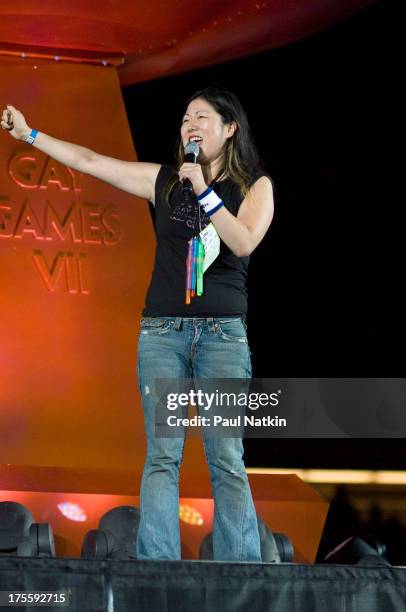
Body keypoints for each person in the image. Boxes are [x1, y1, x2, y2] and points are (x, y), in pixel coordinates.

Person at [1, 86, 274, 561]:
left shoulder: (255, 187)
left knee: (226, 459)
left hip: (222, 338)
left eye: (202, 117)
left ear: (230, 128)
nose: (190, 124)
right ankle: (157, 569)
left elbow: (244, 241)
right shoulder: (164, 181)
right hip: (162, 336)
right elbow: (89, 160)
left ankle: (241, 572)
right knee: (162, 458)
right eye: (186, 117)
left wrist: (206, 192)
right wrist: (31, 135)